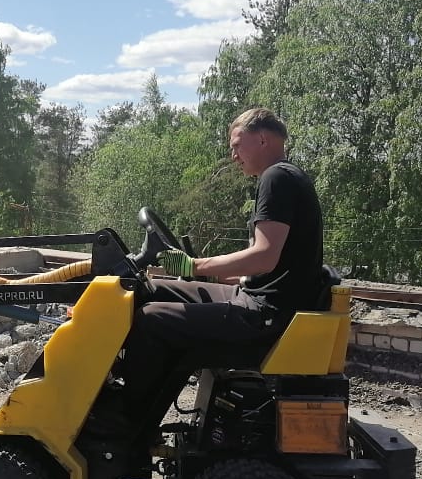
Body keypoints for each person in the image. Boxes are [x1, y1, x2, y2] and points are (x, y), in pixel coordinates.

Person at [106, 107, 325, 434]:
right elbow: (273, 266)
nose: (233, 154)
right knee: (152, 289)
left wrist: (195, 266)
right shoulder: (288, 176)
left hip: (262, 315)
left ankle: (123, 420)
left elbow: (264, 256)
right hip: (260, 300)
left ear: (262, 138)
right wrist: (207, 272)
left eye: (237, 145)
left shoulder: (276, 178)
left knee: (151, 319)